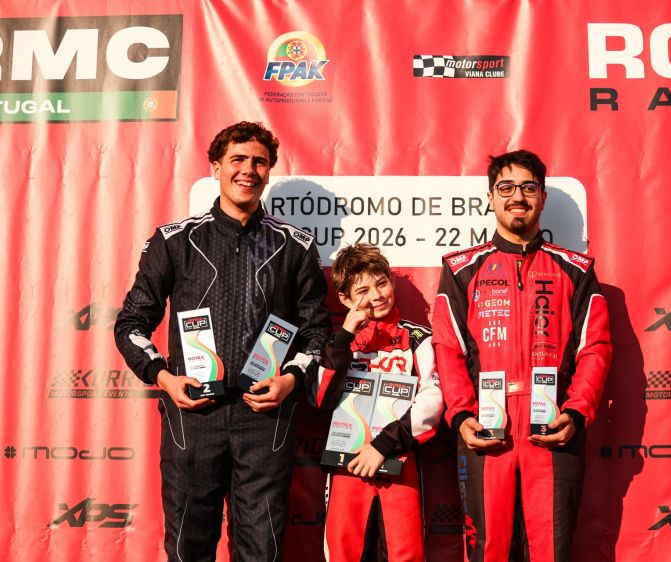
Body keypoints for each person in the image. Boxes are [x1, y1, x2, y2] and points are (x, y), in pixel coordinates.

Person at [114, 121, 335, 562]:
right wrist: (164, 378)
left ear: (269, 171)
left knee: (262, 551)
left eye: (259, 162)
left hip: (266, 417)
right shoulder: (174, 241)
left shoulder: (296, 246)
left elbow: (316, 334)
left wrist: (291, 381)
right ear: (216, 167)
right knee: (188, 548)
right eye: (237, 159)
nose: (248, 170)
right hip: (193, 415)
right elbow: (131, 324)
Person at [432, 150, 612, 561]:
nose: (518, 196)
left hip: (554, 428)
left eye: (529, 187)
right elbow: (448, 347)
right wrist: (461, 416)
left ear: (542, 198)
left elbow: (595, 347)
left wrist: (576, 413)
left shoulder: (576, 269)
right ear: (490, 197)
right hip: (484, 427)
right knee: (488, 551)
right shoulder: (460, 269)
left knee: (551, 551)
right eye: (506, 187)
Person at [317, 243, 444, 562]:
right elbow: (320, 396)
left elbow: (433, 400)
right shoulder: (337, 342)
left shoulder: (419, 338)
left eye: (381, 283)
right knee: (344, 554)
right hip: (348, 465)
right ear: (345, 299)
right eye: (363, 290)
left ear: (391, 281)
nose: (376, 295)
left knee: (405, 554)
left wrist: (384, 445)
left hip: (397, 461)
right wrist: (345, 336)